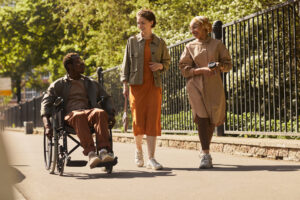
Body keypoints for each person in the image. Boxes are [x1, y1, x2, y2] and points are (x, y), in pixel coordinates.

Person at [41, 53, 116, 169]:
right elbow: (46, 103)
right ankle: (91, 154)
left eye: (82, 62)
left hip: (89, 112)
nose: (82, 64)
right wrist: (47, 125)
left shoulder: (90, 83)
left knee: (99, 112)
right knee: (79, 115)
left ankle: (103, 151)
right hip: (70, 116)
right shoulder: (59, 84)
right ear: (69, 66)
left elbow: (106, 98)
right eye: (78, 63)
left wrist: (111, 113)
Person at [179, 16, 232, 169]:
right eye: (191, 28)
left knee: (211, 119)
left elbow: (228, 64)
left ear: (205, 27)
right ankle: (206, 154)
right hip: (195, 84)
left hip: (214, 85)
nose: (192, 30)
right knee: (202, 117)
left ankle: (204, 152)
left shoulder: (217, 44)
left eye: (195, 27)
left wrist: (219, 66)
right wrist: (199, 70)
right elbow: (184, 68)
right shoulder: (190, 46)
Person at [120, 9, 170, 170]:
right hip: (136, 86)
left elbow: (167, 62)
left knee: (153, 120)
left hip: (154, 86)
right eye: (138, 23)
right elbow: (125, 64)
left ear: (151, 23)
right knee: (138, 120)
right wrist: (124, 84)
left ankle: (152, 158)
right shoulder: (132, 41)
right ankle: (138, 150)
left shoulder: (160, 42)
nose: (140, 25)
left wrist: (160, 65)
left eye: (143, 22)